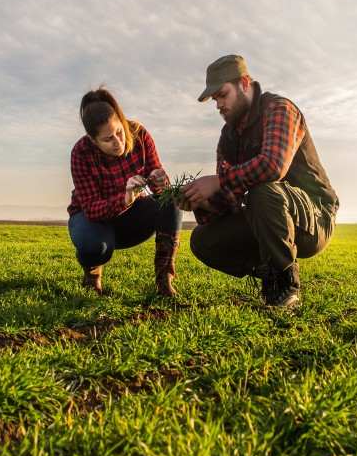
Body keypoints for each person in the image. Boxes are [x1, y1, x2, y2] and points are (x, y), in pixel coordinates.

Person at [176, 55, 339, 309]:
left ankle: (285, 287)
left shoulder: (278, 109)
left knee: (262, 190)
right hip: (264, 217)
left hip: (314, 219)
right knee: (202, 239)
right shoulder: (227, 137)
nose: (218, 104)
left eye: (222, 94)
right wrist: (202, 201)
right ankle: (270, 273)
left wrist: (219, 180)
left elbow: (273, 165)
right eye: (214, 100)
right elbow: (229, 200)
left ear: (243, 83)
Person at [67, 86, 182, 297]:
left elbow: (158, 186)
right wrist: (125, 198)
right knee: (96, 246)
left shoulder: (139, 134)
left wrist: (160, 179)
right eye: (108, 139)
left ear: (121, 120)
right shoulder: (80, 152)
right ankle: (92, 276)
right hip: (92, 220)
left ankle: (164, 281)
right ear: (93, 140)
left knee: (171, 202)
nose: (118, 142)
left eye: (119, 132)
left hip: (131, 219)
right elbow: (92, 208)